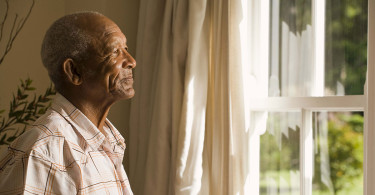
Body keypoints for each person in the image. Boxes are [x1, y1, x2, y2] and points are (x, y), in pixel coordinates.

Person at [0, 11, 135, 195]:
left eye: (126, 48)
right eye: (114, 51)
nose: (131, 61)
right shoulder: (44, 154)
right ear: (74, 71)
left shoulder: (108, 142)